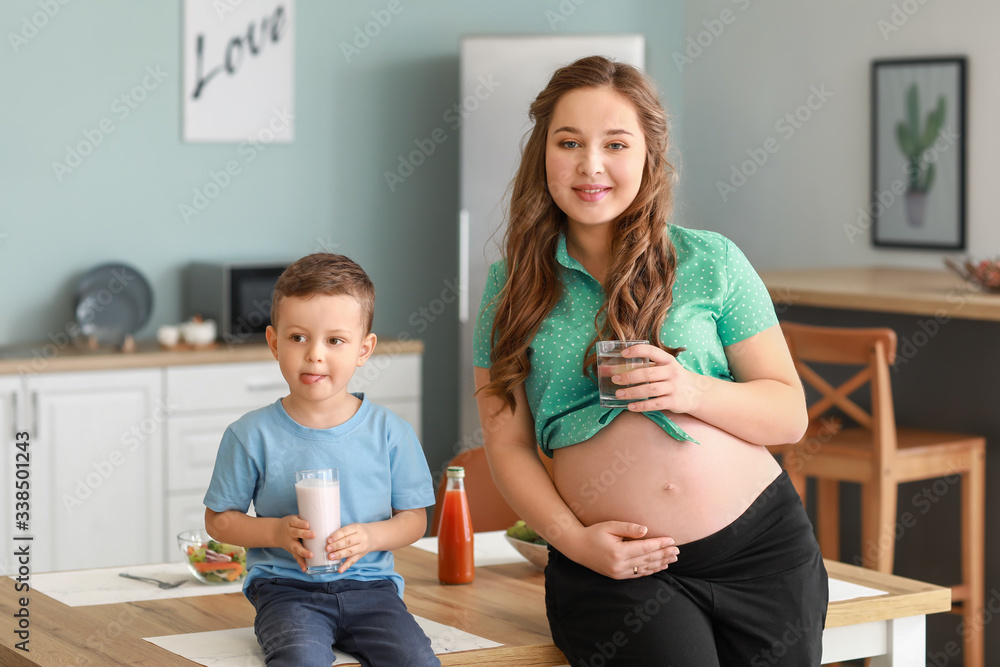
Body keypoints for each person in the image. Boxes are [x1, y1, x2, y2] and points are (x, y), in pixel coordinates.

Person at [473, 56, 828, 665]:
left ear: (648, 155)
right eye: (569, 142)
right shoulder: (512, 287)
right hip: (617, 570)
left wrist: (692, 391)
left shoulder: (710, 260)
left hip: (762, 550)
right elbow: (506, 444)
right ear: (543, 154)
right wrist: (574, 543)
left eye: (616, 143)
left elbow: (789, 414)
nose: (591, 165)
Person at [204, 253, 439, 667]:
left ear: (364, 349)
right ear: (274, 343)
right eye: (298, 338)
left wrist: (371, 537)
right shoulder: (249, 435)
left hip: (372, 588)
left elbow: (414, 519)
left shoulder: (391, 432)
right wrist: (276, 532)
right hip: (286, 589)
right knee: (300, 659)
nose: (314, 355)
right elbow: (219, 520)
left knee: (416, 659)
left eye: (335, 340)